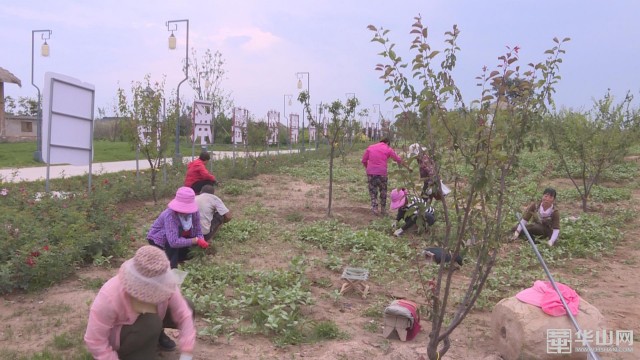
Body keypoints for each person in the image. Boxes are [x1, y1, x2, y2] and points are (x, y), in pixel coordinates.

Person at [84, 245, 196, 359]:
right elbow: (95, 340)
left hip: (151, 323)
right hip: (122, 336)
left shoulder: (164, 284)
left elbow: (184, 314)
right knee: (150, 322)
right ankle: (133, 352)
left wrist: (187, 352)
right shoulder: (109, 296)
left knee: (188, 305)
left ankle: (155, 336)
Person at [147, 187, 209, 269]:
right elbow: (173, 242)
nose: (184, 211)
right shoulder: (170, 215)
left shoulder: (194, 213)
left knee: (186, 253)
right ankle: (170, 268)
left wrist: (201, 240)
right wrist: (195, 240)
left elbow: (197, 230)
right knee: (170, 256)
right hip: (160, 238)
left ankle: (178, 258)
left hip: (178, 236)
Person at [361, 138, 411, 216]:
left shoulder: (370, 147)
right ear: (387, 143)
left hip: (371, 173)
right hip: (382, 173)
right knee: (383, 191)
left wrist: (368, 168)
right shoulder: (388, 148)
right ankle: (383, 209)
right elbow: (398, 159)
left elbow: (364, 160)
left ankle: (374, 208)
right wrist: (408, 168)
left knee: (373, 191)